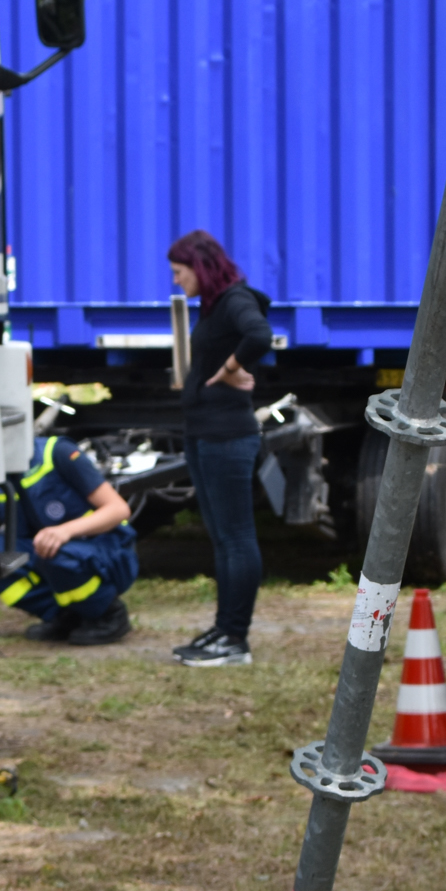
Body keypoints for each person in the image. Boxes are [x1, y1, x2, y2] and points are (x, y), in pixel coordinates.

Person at [167, 229, 271, 668]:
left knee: (237, 538)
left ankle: (235, 638)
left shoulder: (233, 299)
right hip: (204, 433)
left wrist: (230, 368)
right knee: (223, 539)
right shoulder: (213, 305)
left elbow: (259, 334)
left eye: (180, 272)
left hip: (227, 436)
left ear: (200, 266)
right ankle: (222, 629)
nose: (176, 281)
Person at [0, 432, 137, 645]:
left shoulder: (57, 453)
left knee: (56, 554)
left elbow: (118, 509)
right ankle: (63, 615)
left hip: (104, 549)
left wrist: (65, 531)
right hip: (47, 553)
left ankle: (108, 613)